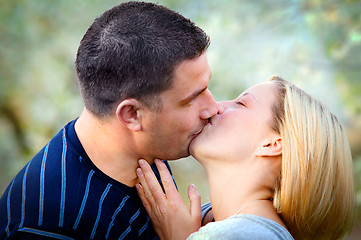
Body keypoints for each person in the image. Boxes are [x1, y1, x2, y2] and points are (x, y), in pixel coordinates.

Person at [0, 1, 218, 239]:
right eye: (190, 100)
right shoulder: (49, 225)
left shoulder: (144, 146)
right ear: (132, 115)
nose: (213, 108)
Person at [136, 76, 356, 240]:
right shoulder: (227, 226)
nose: (215, 107)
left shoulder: (247, 235)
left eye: (241, 103)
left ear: (272, 144)